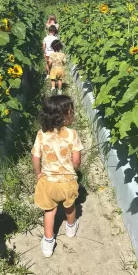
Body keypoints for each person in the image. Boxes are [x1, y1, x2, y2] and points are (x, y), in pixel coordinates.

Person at [31, 95, 83, 257]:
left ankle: (48, 242)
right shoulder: (72, 134)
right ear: (63, 116)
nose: (73, 114)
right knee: (70, 206)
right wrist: (72, 168)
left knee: (50, 211)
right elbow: (76, 160)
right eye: (71, 112)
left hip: (48, 182)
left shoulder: (41, 134)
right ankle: (70, 227)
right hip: (67, 181)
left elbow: (35, 156)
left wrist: (39, 173)